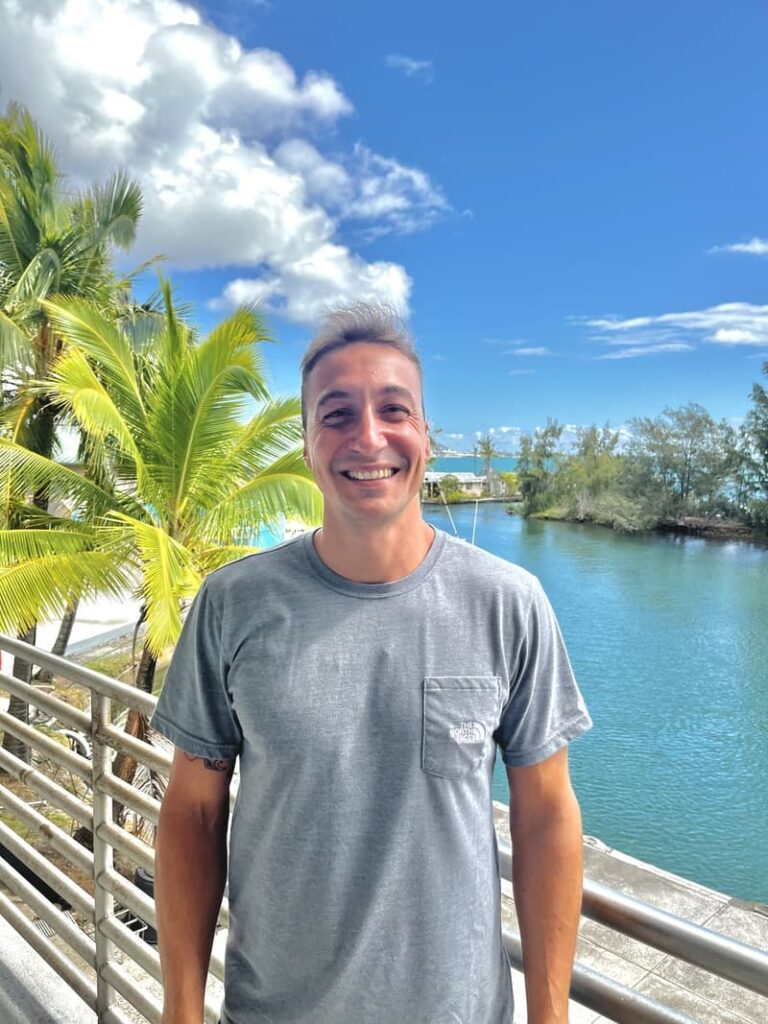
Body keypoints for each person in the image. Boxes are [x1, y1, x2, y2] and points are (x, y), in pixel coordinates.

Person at [152, 304, 592, 1024]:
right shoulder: (233, 603)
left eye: (395, 409)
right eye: (336, 414)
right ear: (306, 446)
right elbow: (192, 813)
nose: (368, 436)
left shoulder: (510, 604)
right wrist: (180, 1010)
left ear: (424, 435)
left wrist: (550, 1013)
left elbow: (545, 817)